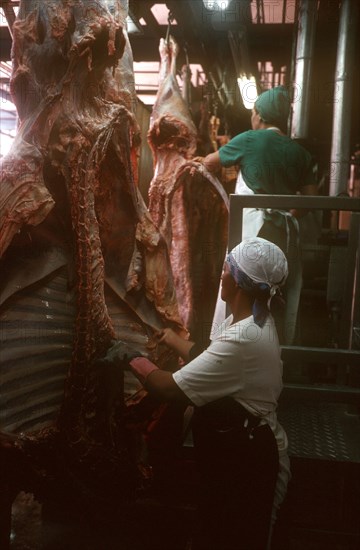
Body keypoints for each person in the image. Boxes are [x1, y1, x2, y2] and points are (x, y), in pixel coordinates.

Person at [116, 237, 290, 550]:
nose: (220, 274)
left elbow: (167, 387)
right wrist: (171, 339)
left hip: (250, 466)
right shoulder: (247, 319)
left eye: (226, 269)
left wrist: (129, 357)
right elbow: (212, 354)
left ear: (236, 282)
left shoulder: (247, 337)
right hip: (234, 458)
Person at [194, 85, 318, 344]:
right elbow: (309, 201)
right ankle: (275, 350)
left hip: (252, 232)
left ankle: (229, 350)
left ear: (259, 116)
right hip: (285, 235)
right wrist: (283, 212)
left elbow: (209, 163)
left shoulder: (250, 139)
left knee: (241, 291)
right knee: (278, 295)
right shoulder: (301, 154)